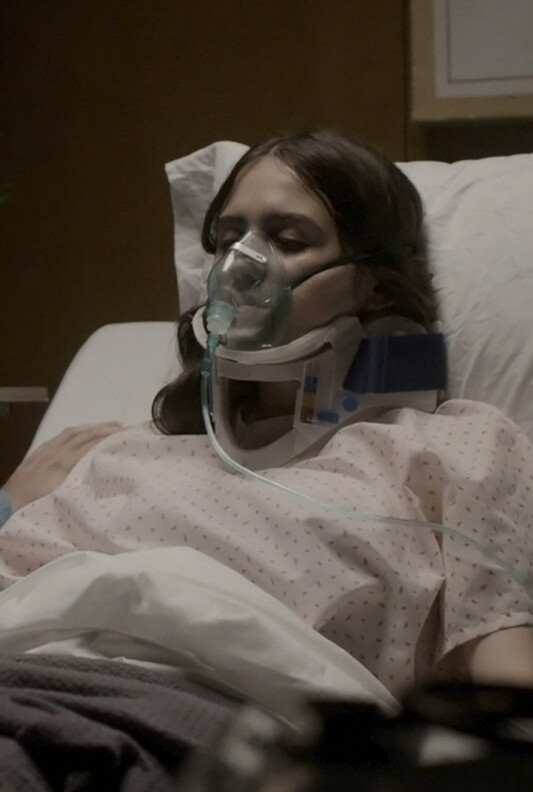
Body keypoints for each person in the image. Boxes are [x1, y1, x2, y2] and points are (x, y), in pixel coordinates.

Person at [1, 131, 532, 697]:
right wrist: (7, 504)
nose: (241, 268)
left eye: (288, 240)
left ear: (375, 286)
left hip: (202, 722)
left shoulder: (455, 451)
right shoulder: (122, 452)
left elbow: (504, 678)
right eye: (230, 239)